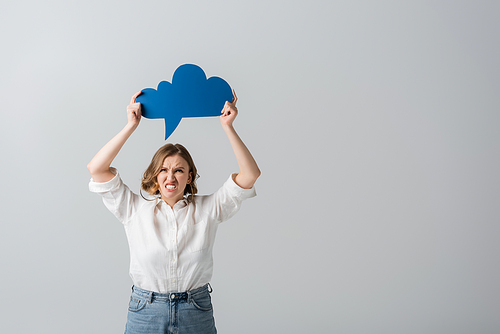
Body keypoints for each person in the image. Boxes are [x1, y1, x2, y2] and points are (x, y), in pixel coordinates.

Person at [87, 89, 260, 334]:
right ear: (155, 176)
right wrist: (130, 126)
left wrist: (228, 126)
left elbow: (250, 175)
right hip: (146, 311)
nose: (171, 176)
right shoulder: (134, 209)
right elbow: (96, 168)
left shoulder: (208, 208)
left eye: (179, 170)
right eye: (164, 170)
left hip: (195, 310)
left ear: (189, 177)